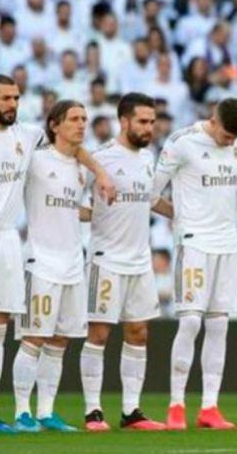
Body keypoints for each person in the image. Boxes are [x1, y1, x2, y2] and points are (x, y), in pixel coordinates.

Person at [0, 75, 113, 435]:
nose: (13, 104)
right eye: (6, 98)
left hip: (7, 241)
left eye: (16, 98)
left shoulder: (26, 135)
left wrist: (98, 170)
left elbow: (70, 146)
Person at [153, 98, 237, 431]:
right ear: (213, 119)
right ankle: (176, 405)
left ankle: (209, 407)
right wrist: (180, 217)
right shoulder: (183, 142)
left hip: (226, 244)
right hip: (194, 243)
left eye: (235, 137)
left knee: (219, 325)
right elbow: (151, 192)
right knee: (191, 322)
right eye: (226, 135)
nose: (230, 141)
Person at [80, 93, 172, 432]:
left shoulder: (149, 158)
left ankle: (131, 411)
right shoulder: (99, 159)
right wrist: (94, 216)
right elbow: (69, 200)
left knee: (138, 331)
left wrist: (180, 215)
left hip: (139, 259)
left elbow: (151, 199)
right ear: (124, 121)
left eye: (153, 122)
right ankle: (93, 411)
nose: (150, 128)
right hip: (106, 259)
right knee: (99, 333)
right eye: (143, 122)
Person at [11, 101, 91, 433]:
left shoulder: (82, 168)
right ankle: (20, 411)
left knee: (61, 340)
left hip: (74, 262)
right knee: (34, 337)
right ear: (55, 125)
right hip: (41, 262)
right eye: (74, 119)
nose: (81, 125)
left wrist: (102, 214)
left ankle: (46, 411)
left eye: (84, 119)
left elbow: (73, 209)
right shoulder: (37, 161)